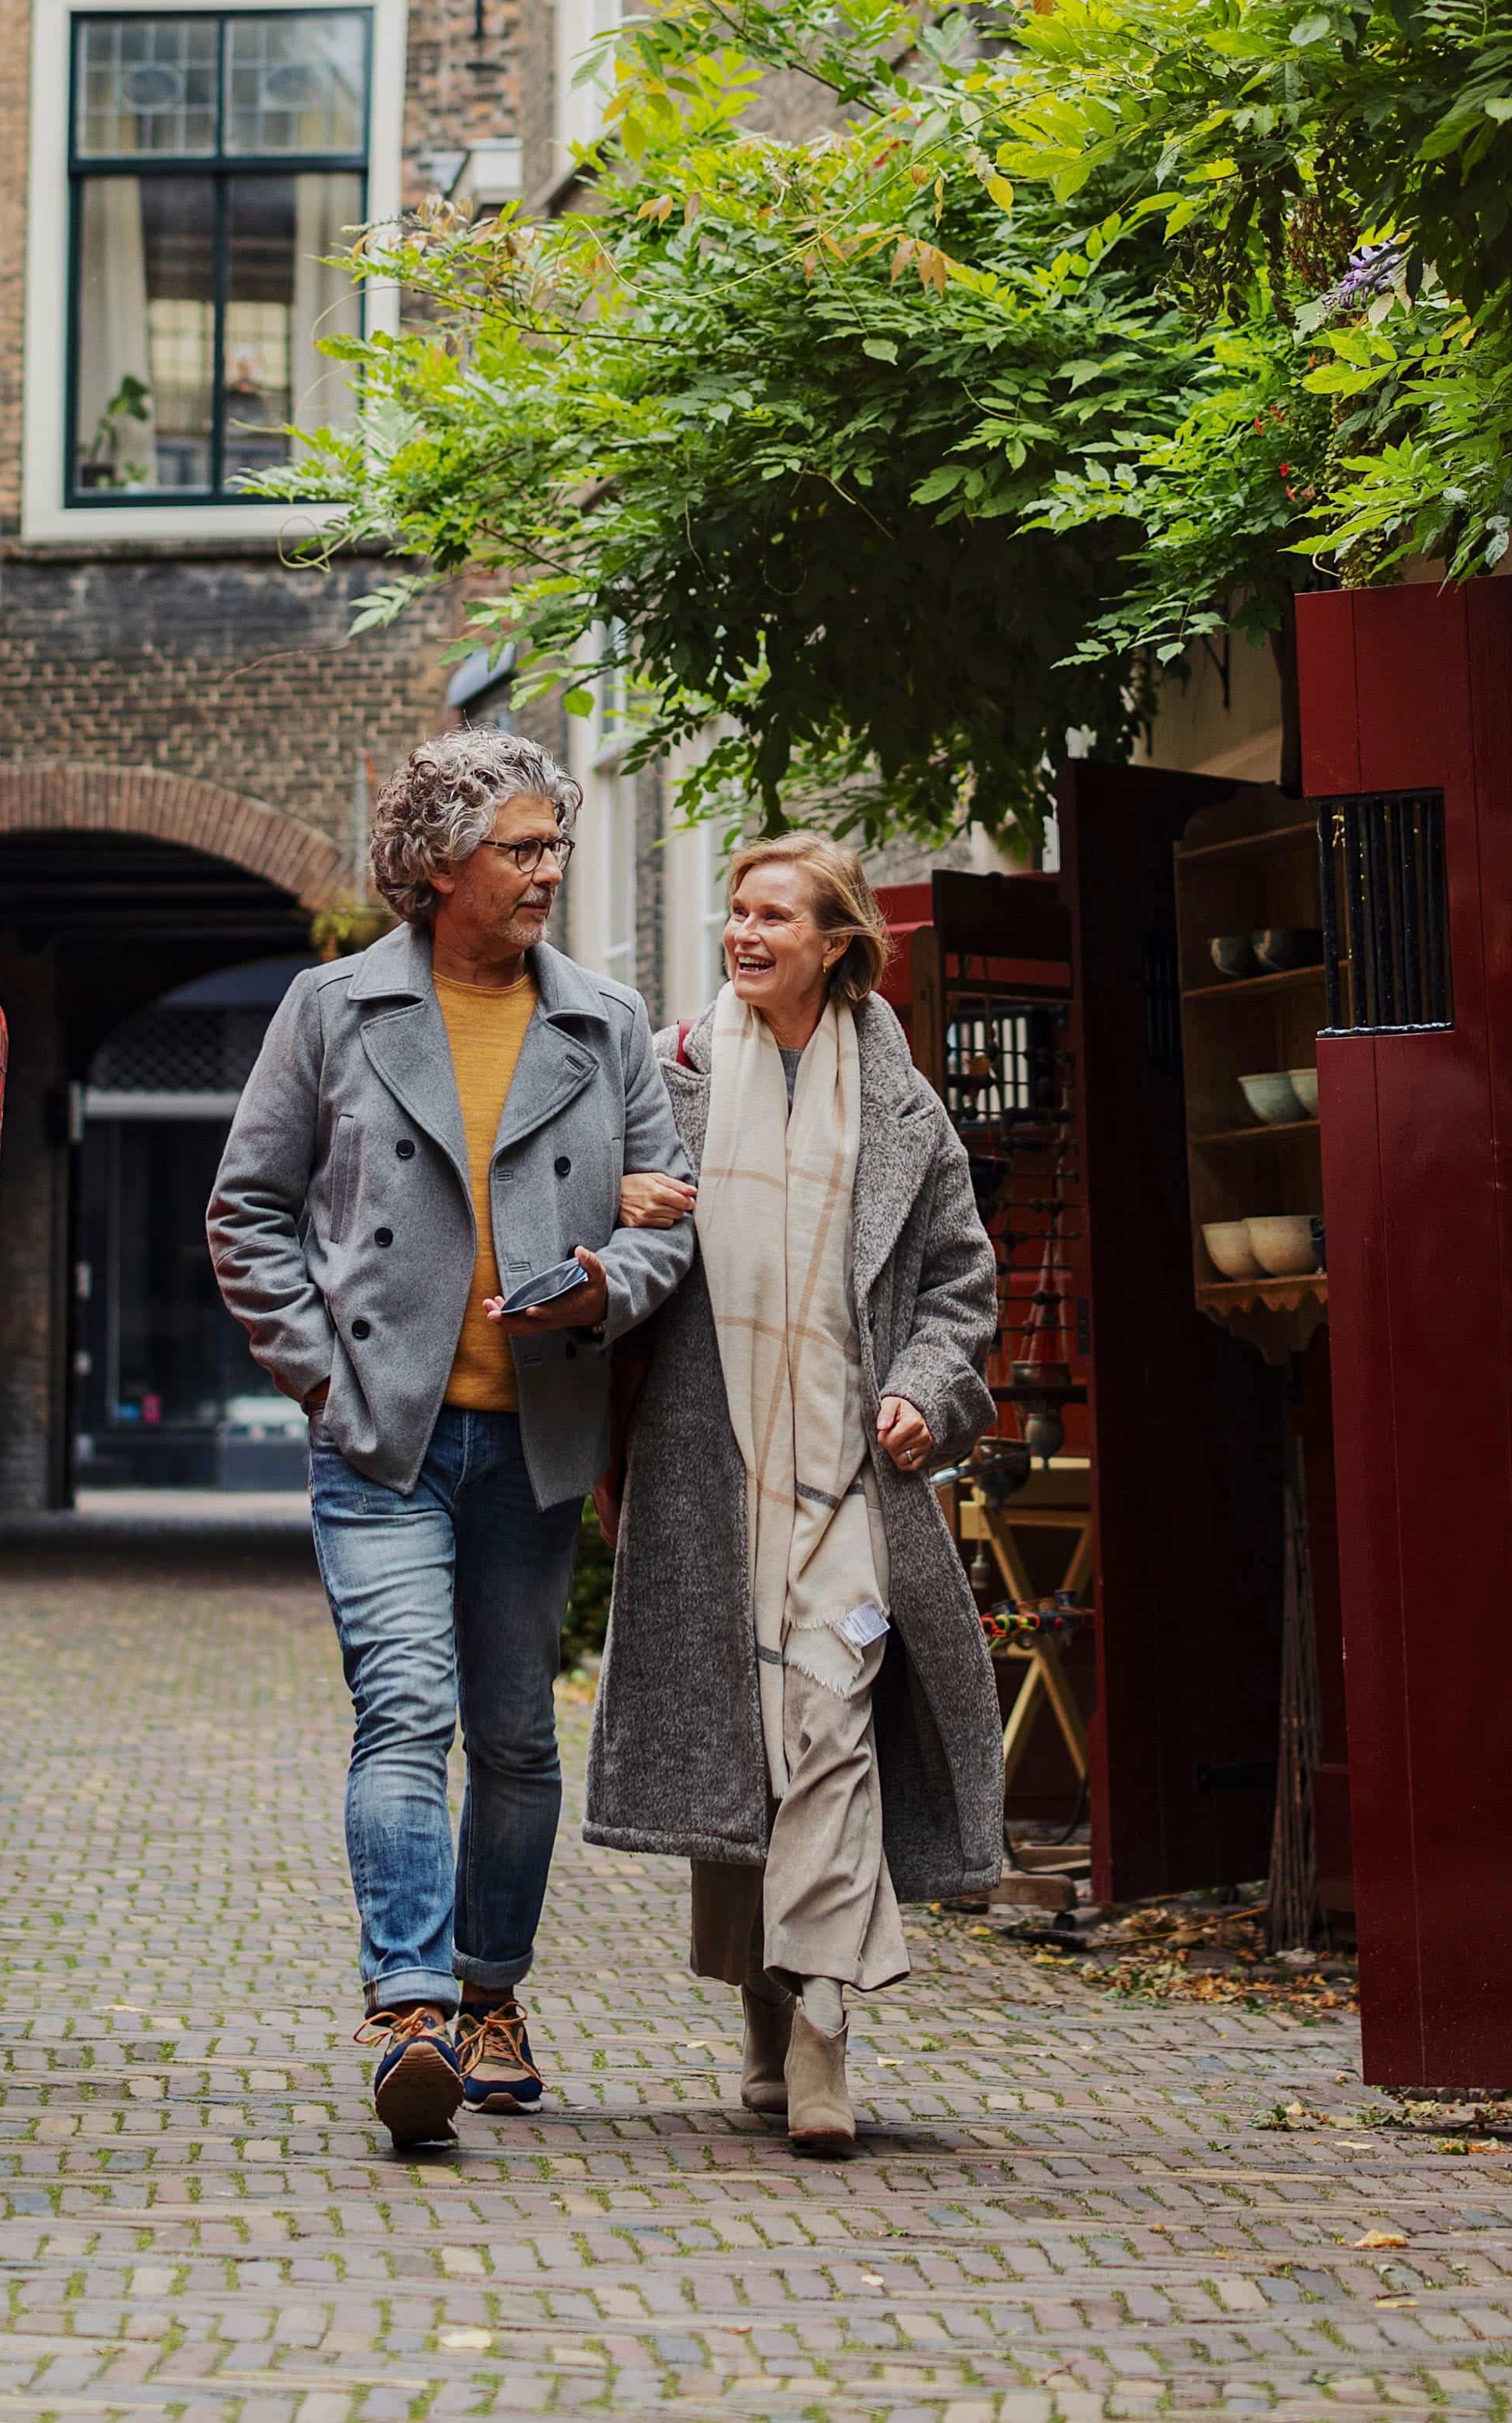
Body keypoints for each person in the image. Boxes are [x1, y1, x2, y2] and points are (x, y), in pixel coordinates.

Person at [207, 727, 695, 2151]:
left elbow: (660, 1212)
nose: (550, 869)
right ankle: (408, 2005)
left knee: (517, 1740)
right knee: (406, 1713)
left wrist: (608, 1281)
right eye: (523, 848)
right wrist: (322, 1379)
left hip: (536, 1435)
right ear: (436, 866)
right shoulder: (332, 1009)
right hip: (382, 1439)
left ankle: (493, 1993)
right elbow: (246, 1212)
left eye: (555, 845)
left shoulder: (603, 1020)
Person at [587, 834, 1004, 2159]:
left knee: (828, 1732)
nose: (744, 930)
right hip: (711, 1479)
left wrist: (926, 1393)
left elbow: (959, 1282)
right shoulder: (667, 1078)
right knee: (738, 1751)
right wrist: (625, 1197)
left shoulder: (901, 1106)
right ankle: (764, 2014)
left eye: (775, 914)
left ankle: (823, 2023)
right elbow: (574, 1228)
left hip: (844, 1484)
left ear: (837, 941)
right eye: (737, 909)